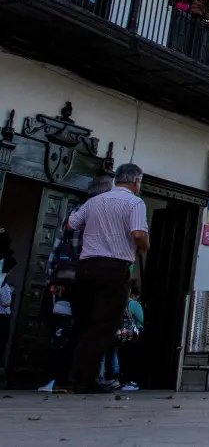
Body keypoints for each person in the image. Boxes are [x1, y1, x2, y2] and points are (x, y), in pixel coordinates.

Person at [64, 163, 149, 394]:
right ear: (136, 181)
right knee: (102, 326)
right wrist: (144, 246)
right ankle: (86, 380)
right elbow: (138, 233)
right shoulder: (135, 203)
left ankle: (70, 377)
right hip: (114, 269)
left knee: (83, 323)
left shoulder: (95, 201)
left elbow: (71, 224)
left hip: (86, 266)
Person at [37, 175, 113, 394]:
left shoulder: (75, 212)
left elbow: (57, 247)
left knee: (69, 330)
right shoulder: (101, 215)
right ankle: (80, 377)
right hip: (89, 281)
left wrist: (52, 278)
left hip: (68, 281)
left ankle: (61, 378)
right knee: (88, 329)